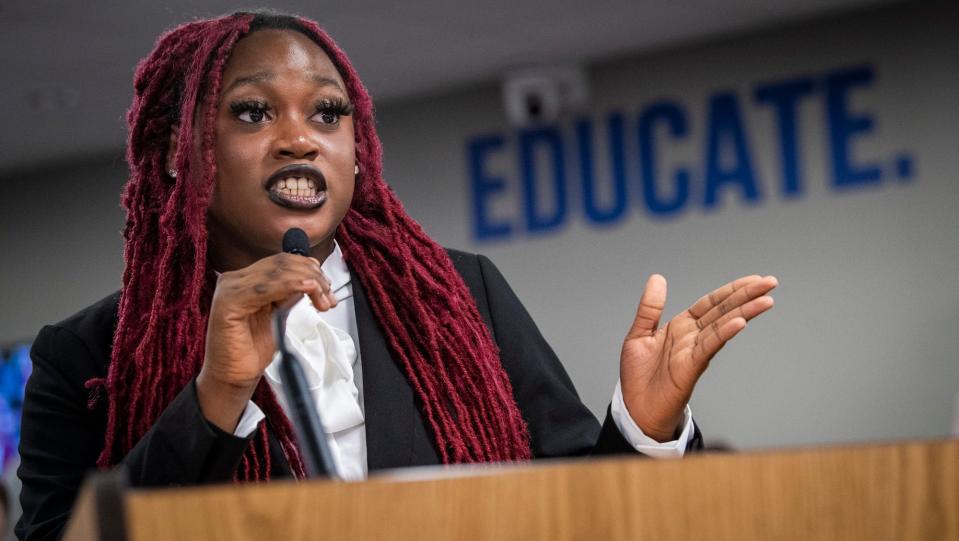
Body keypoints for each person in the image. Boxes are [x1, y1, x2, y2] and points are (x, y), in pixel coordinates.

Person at [15, 11, 777, 540]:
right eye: (251, 113)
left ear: (357, 149)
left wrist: (642, 429)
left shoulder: (459, 294)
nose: (298, 140)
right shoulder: (84, 356)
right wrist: (214, 397)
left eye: (327, 113)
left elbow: (575, 510)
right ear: (183, 152)